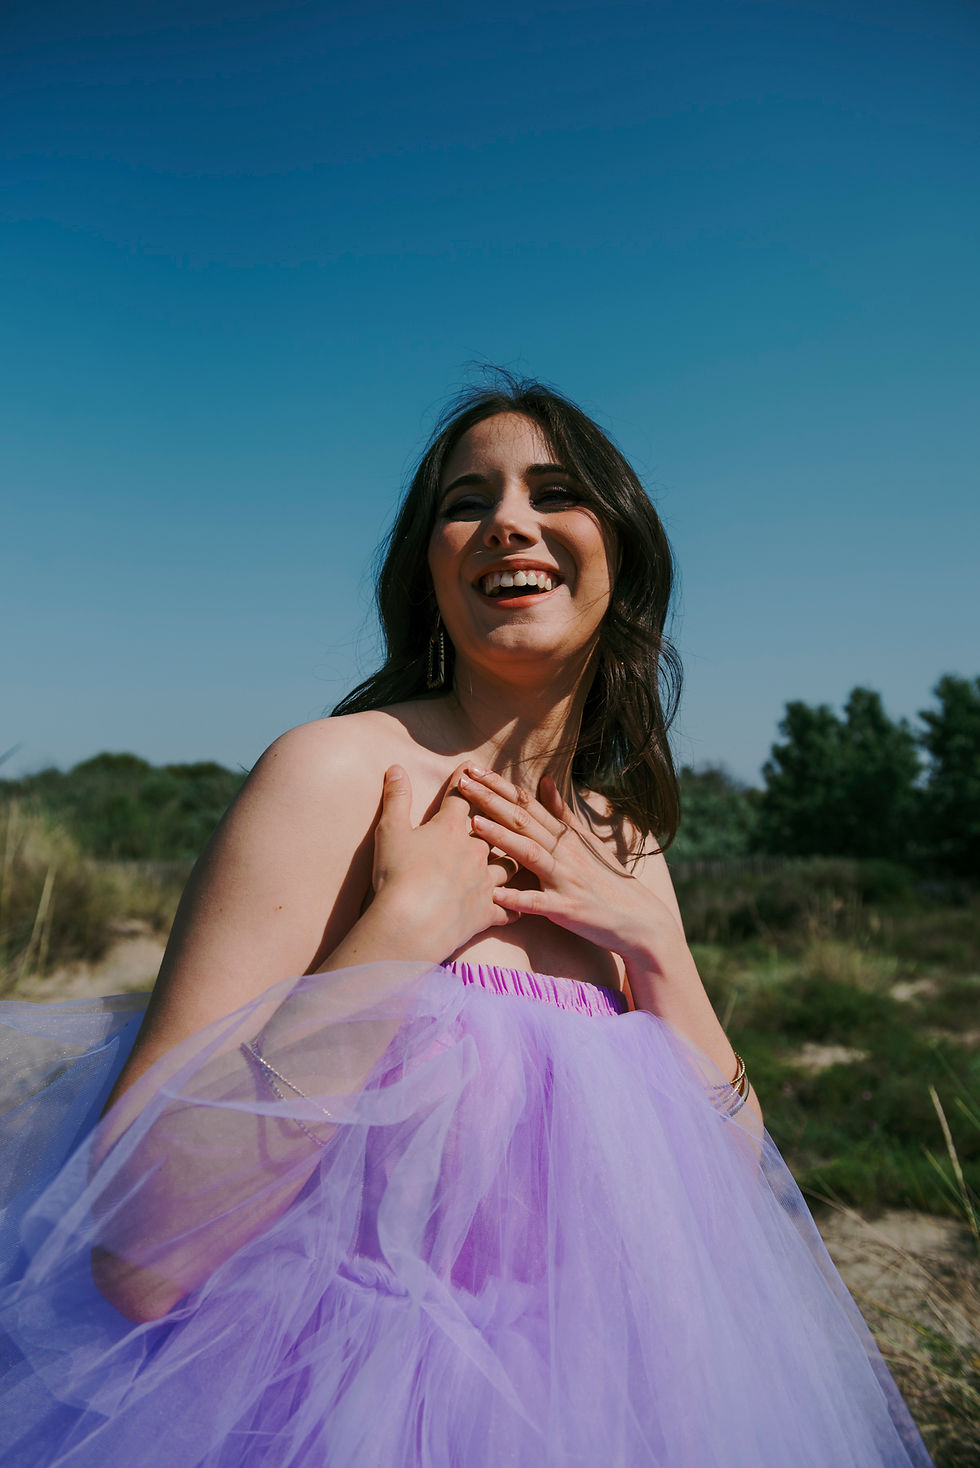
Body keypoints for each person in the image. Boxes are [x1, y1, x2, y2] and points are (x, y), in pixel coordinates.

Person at [0, 376, 931, 1466]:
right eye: (465, 501)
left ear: (619, 549)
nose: (507, 521)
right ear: (430, 568)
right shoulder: (334, 777)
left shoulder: (622, 841)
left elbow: (724, 1199)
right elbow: (140, 1254)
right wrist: (398, 931)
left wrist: (659, 954)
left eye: (554, 490)